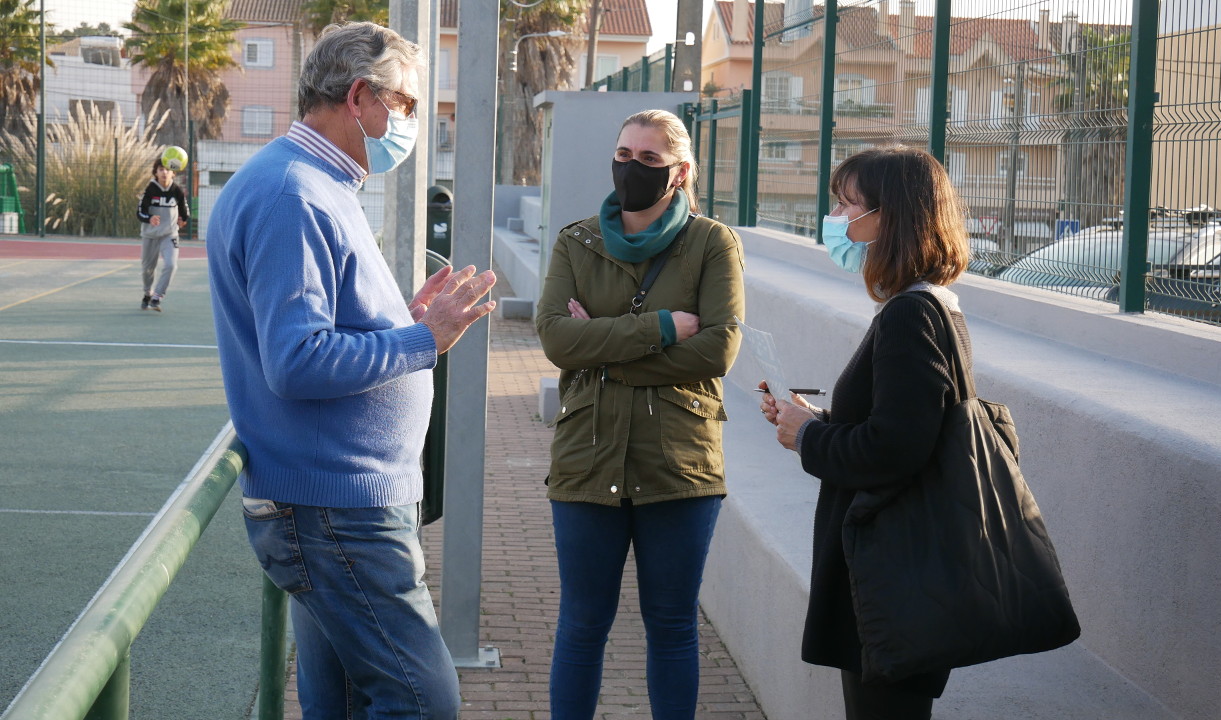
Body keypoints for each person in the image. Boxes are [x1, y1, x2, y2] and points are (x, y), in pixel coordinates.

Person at [205, 21, 496, 719]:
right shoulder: (295, 193)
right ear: (361, 95)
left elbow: (327, 328)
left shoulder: (317, 183)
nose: (414, 124)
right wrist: (423, 341)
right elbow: (298, 359)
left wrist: (404, 322)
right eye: (408, 104)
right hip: (335, 511)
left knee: (339, 701)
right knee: (422, 702)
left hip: (334, 502)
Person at [535, 109, 746, 720]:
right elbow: (554, 339)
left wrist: (601, 348)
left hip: (679, 461)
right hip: (586, 455)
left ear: (679, 173)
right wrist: (659, 329)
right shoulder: (577, 241)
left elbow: (718, 348)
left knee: (673, 623)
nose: (631, 168)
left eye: (649, 160)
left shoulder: (712, 244)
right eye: (624, 154)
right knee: (582, 623)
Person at [759, 146, 971, 720]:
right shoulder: (926, 308)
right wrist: (814, 422)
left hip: (892, 580)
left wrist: (810, 438)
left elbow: (896, 450)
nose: (837, 218)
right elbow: (901, 428)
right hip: (897, 575)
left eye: (848, 204)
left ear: (891, 216)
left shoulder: (911, 315)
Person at [136, 158, 189, 311]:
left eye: (167, 169)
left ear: (173, 172)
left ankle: (157, 296)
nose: (164, 172)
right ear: (156, 172)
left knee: (171, 265)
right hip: (150, 235)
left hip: (169, 234)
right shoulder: (150, 190)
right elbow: (140, 212)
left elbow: (184, 210)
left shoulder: (176, 191)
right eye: (160, 169)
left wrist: (183, 219)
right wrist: (149, 218)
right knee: (147, 269)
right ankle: (148, 293)